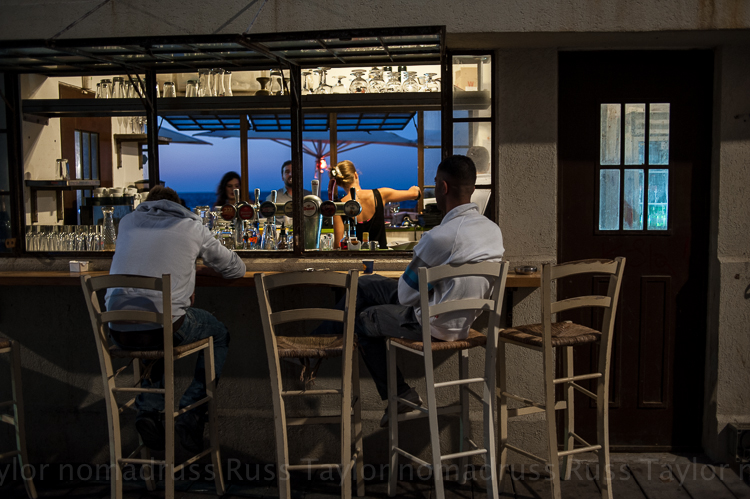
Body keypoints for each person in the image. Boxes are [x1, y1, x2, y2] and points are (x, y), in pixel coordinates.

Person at [316, 155, 504, 427]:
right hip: (463, 320)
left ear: (442, 187)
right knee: (366, 284)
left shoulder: (439, 237)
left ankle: (399, 395)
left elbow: (405, 296)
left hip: (433, 324)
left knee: (363, 318)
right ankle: (318, 344)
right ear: (472, 187)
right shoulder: (493, 231)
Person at [106, 185, 246, 452]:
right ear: (179, 205)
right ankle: (192, 411)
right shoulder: (191, 226)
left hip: (118, 330)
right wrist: (195, 268)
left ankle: (148, 411)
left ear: (147, 203)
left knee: (155, 329)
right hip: (162, 328)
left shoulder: (127, 223)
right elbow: (237, 269)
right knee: (218, 334)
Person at [329, 160, 421, 249]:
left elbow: (338, 245)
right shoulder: (380, 195)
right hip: (380, 257)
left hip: (354, 257)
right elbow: (415, 194)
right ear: (356, 175)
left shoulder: (339, 206)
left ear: (340, 183)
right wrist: (414, 189)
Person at [266, 160, 311, 226]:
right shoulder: (271, 198)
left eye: (293, 171)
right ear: (282, 177)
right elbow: (267, 223)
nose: (290, 174)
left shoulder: (309, 197)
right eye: (287, 172)